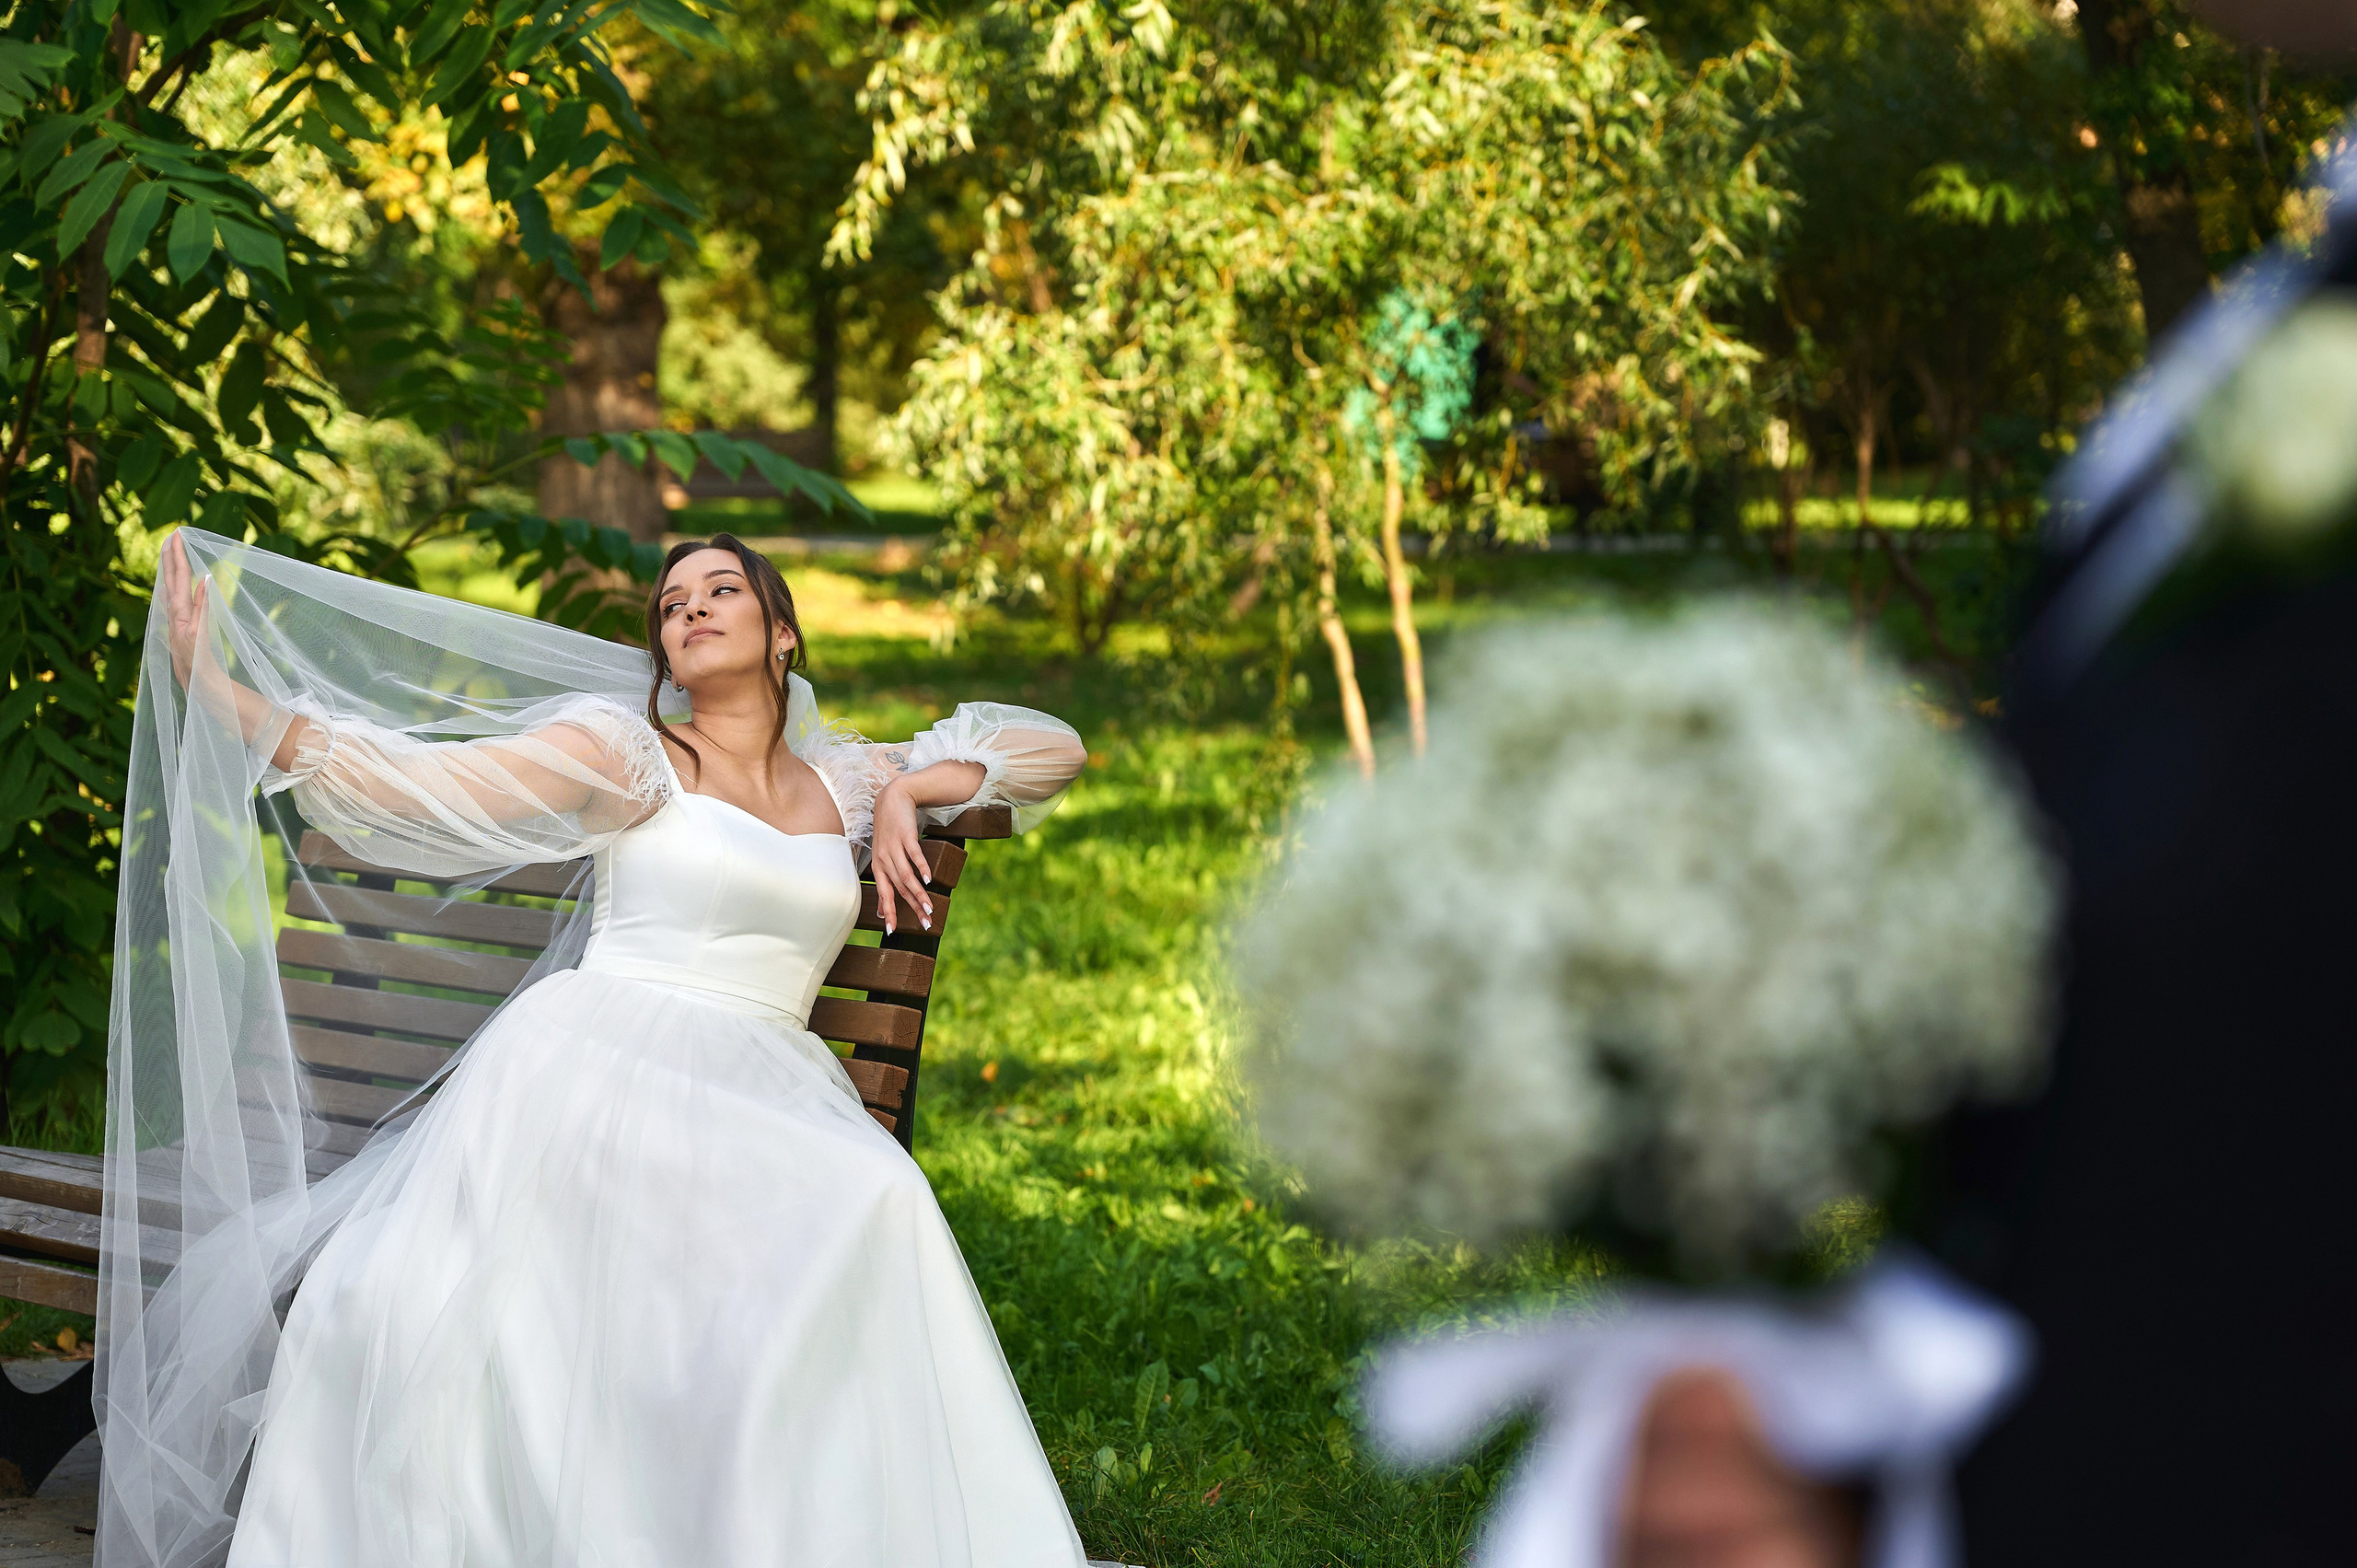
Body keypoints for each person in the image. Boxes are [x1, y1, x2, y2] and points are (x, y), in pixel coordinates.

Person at [103, 528, 1091, 1567]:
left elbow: (1052, 745)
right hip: (602, 1068)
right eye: (672, 605)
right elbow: (416, 778)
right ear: (664, 655)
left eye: (722, 591)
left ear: (783, 635)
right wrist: (217, 690)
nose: (693, 609)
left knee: (878, 1200)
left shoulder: (845, 783)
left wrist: (909, 791)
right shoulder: (631, 758)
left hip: (770, 1086)